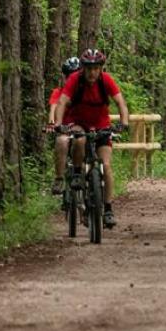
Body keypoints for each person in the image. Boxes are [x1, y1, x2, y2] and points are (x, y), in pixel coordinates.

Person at [57, 48, 130, 228]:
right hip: (78, 122)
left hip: (101, 126)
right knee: (79, 140)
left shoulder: (106, 81)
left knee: (106, 165)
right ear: (83, 68)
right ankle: (77, 173)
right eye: (89, 68)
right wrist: (59, 123)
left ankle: (108, 209)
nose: (92, 72)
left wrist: (124, 122)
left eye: (96, 68)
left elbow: (120, 102)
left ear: (101, 68)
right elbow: (62, 102)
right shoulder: (75, 80)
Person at [46, 56, 81, 190]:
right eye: (68, 76)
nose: (71, 79)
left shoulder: (86, 92)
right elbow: (54, 107)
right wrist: (51, 122)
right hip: (65, 128)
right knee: (61, 141)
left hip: (83, 128)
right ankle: (59, 179)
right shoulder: (58, 92)